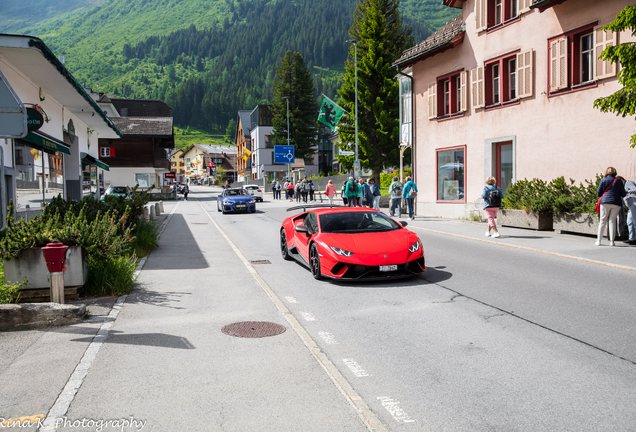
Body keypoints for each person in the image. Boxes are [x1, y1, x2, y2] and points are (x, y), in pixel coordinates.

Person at [596, 167, 626, 246]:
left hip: (605, 202)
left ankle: (599, 240)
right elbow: (623, 194)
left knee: (603, 220)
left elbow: (599, 193)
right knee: (612, 221)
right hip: (616, 202)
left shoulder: (603, 180)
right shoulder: (618, 181)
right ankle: (612, 241)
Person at [622, 176, 636, 245]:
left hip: (634, 204)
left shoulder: (628, 183)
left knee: (634, 222)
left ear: (622, 180)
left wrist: (626, 191)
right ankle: (632, 239)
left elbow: (634, 189)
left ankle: (634, 239)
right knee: (629, 222)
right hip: (631, 206)